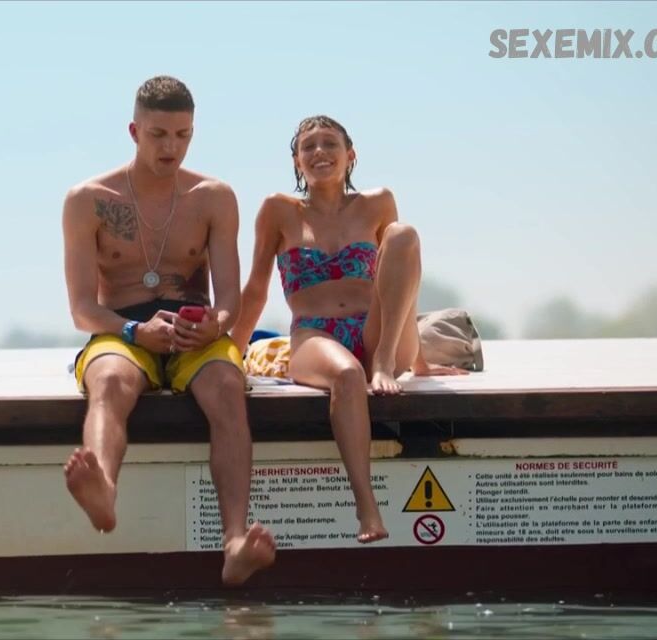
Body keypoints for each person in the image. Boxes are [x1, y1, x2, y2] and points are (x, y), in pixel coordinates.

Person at [61, 76, 275, 585]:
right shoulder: (88, 200)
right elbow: (82, 310)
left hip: (192, 329)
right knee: (109, 381)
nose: (170, 147)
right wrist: (134, 332)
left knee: (227, 387)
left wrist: (215, 326)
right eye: (158, 134)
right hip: (121, 329)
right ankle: (104, 489)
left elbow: (229, 300)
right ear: (134, 131)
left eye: (182, 135)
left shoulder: (213, 197)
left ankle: (235, 541)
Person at [230, 115, 468, 543]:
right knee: (346, 375)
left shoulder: (377, 202)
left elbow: (402, 283)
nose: (319, 152)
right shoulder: (278, 210)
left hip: (378, 335)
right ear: (297, 161)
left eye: (330, 144)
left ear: (350, 155)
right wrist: (231, 353)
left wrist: (419, 364)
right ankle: (367, 507)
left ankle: (383, 364)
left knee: (403, 235)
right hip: (315, 334)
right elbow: (256, 289)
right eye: (308, 146)